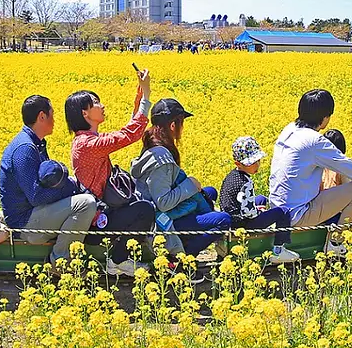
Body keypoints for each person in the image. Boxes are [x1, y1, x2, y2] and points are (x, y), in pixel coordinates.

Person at [269, 90, 352, 242]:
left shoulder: (289, 130)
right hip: (297, 216)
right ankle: (336, 241)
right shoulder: (314, 140)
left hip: (277, 210)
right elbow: (348, 166)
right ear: (325, 117)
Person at [66, 68, 154, 278]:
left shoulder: (87, 140)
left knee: (140, 204)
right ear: (85, 113)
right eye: (96, 103)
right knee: (144, 210)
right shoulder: (86, 144)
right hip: (98, 221)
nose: (102, 106)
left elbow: (126, 133)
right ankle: (117, 261)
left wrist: (139, 99)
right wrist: (148, 96)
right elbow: (127, 136)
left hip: (104, 213)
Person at [0, 95, 98, 265]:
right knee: (86, 203)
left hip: (32, 214)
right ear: (42, 116)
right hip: (25, 223)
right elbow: (36, 196)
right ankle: (60, 261)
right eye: (52, 114)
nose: (55, 119)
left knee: (77, 190)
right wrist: (69, 188)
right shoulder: (25, 149)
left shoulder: (34, 143)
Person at [129, 98, 230, 259]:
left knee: (210, 192)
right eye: (181, 123)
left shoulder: (153, 143)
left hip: (170, 211)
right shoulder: (160, 158)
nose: (182, 128)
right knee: (223, 220)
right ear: (173, 125)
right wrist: (190, 185)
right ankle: (182, 255)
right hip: (162, 221)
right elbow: (162, 202)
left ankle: (189, 237)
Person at [220, 136, 296, 264]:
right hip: (243, 224)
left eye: (258, 161)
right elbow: (249, 213)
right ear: (238, 163)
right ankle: (279, 249)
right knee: (282, 212)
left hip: (232, 219)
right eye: (252, 162)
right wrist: (259, 212)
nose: (257, 165)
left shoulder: (232, 176)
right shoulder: (245, 182)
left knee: (260, 199)